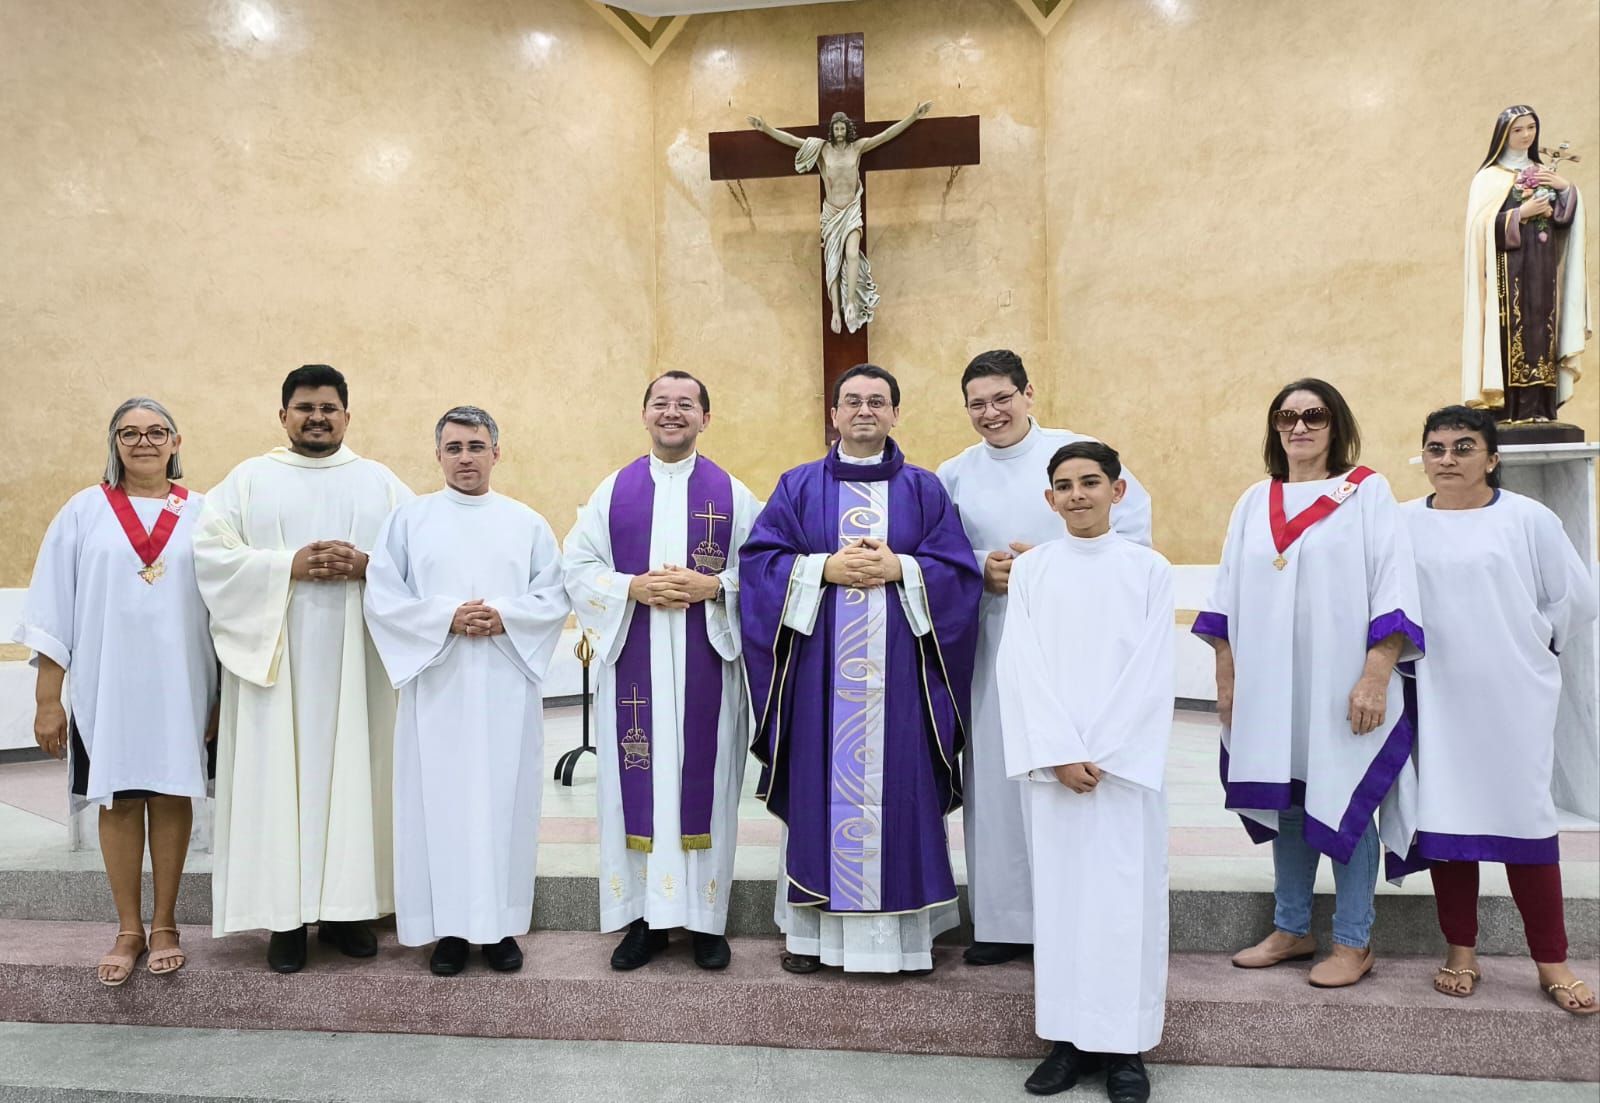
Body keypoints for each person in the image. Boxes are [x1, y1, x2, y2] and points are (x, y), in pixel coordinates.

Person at [741, 363, 981, 974]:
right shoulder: (797, 487)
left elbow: (958, 574)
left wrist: (904, 569)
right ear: (835, 414)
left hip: (901, 682)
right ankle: (812, 937)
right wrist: (823, 569)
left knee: (899, 791)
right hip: (823, 683)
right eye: (853, 401)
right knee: (823, 790)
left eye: (878, 401)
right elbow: (760, 565)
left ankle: (903, 943)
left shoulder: (926, 490)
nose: (865, 411)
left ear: (896, 413)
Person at [1193, 378, 1422, 988]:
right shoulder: (1253, 500)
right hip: (1270, 688)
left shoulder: (1367, 493)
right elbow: (1224, 601)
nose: (1300, 426)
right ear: (1274, 427)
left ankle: (1354, 940)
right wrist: (1228, 679)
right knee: (1288, 804)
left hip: (1340, 686)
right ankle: (1293, 927)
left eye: (1314, 415)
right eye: (1287, 416)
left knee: (1348, 803)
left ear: (1335, 422)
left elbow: (1392, 588)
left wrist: (1375, 678)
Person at [937, 348, 1152, 966]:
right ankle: (1003, 922)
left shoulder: (1077, 456)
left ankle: (1069, 916)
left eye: (1002, 398)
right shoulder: (954, 473)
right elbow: (939, 554)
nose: (991, 412)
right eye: (977, 403)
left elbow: (1131, 537)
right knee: (999, 776)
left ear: (1029, 394)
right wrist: (981, 569)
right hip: (992, 637)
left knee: (1065, 772)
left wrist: (1050, 564)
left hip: (1074, 639)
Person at [193, 364, 411, 973]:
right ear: (282, 413)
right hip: (277, 666)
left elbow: (422, 560)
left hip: (359, 665)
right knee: (277, 781)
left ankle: (348, 910)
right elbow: (211, 557)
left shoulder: (381, 484)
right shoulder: (246, 481)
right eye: (305, 407)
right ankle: (284, 921)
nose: (317, 417)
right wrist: (285, 566)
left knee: (356, 776)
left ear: (347, 413)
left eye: (329, 408)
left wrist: (369, 563)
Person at [14, 398, 218, 985]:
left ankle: (165, 924)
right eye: (130, 433)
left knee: (172, 794)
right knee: (121, 799)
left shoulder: (205, 514)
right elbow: (52, 605)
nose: (144, 442)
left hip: (184, 682)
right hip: (108, 685)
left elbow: (227, 608)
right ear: (115, 443)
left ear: (176, 442)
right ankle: (128, 927)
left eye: (156, 432)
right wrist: (48, 699)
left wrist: (222, 695)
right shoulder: (83, 512)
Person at [1403, 405, 1599, 1015]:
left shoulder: (1527, 518)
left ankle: (1552, 960)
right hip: (1435, 693)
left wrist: (1534, 643)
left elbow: (1575, 597)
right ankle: (1461, 950)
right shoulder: (1401, 521)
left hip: (1513, 693)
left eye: (1464, 447)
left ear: (1491, 458)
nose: (1449, 459)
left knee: (1525, 821)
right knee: (1447, 819)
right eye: (1437, 448)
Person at [562, 372, 760, 971]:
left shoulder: (733, 495)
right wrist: (632, 586)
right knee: (636, 788)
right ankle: (644, 920)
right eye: (661, 403)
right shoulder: (613, 491)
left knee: (710, 786)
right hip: (636, 669)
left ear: (706, 416)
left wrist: (716, 584)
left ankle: (706, 919)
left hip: (707, 664)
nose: (672, 413)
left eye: (686, 404)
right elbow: (575, 563)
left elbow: (764, 569)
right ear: (644, 414)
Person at [364, 406, 568, 975]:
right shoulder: (409, 521)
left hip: (504, 685)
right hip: (438, 687)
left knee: (505, 802)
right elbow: (382, 597)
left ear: (496, 453)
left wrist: (503, 616)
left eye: (476, 446)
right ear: (438, 454)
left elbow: (553, 596)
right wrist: (446, 618)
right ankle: (447, 930)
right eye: (453, 447)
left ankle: (499, 927)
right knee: (438, 806)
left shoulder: (526, 522)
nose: (465, 458)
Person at [997, 441, 1172, 1102]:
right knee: (1065, 905)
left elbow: (1153, 674)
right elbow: (1022, 666)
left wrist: (1106, 750)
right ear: (1049, 499)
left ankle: (1125, 1048)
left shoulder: (1149, 569)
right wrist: (1057, 751)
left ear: (1118, 490)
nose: (1077, 494)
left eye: (1090, 482)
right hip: (1060, 771)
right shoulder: (1036, 571)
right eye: (1064, 485)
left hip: (1123, 775)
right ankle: (1067, 1041)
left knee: (1125, 906)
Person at [744, 101, 932, 334]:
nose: (840, 133)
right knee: (832, 263)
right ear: (831, 130)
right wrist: (766, 128)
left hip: (851, 211)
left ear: (847, 130)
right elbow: (793, 141)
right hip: (832, 213)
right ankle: (836, 310)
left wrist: (913, 116)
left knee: (852, 254)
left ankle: (851, 301)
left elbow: (885, 135)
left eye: (843, 128)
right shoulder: (822, 149)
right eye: (836, 129)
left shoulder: (858, 148)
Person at [1462, 104, 1589, 422]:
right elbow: (1480, 229)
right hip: (1508, 275)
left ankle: (1542, 407)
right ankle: (1512, 409)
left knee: (1541, 332)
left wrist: (1565, 190)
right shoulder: (1488, 178)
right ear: (1503, 134)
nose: (1526, 135)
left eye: (1531, 128)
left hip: (1543, 270)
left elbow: (1564, 220)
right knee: (1515, 330)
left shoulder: (1542, 171)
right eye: (1517, 129)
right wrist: (1522, 213)